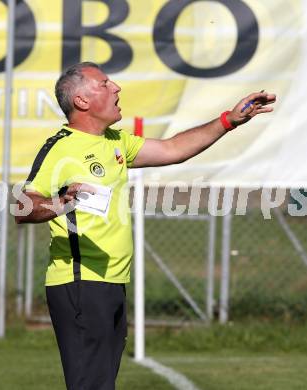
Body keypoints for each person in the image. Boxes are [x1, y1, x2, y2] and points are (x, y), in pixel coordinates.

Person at [15, 61, 276, 390]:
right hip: (81, 285)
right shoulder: (60, 148)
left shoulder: (115, 142)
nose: (116, 88)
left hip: (112, 283)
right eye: (105, 83)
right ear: (81, 101)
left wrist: (229, 121)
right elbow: (21, 207)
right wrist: (62, 201)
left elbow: (173, 148)